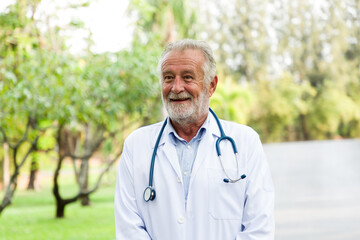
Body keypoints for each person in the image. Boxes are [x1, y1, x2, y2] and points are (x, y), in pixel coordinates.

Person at [114, 39, 274, 240]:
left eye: (188, 77)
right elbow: (129, 228)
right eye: (168, 77)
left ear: (211, 85)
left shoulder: (245, 142)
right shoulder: (136, 145)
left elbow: (259, 227)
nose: (176, 87)